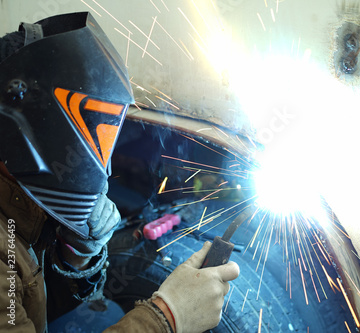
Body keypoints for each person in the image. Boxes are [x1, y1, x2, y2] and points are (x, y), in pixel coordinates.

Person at [0, 12, 239, 333]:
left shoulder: (18, 205)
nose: (102, 170)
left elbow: (34, 308)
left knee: (102, 312)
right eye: (87, 138)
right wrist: (166, 317)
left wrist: (76, 255)